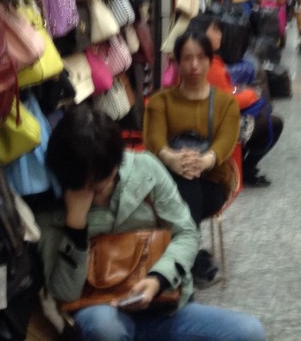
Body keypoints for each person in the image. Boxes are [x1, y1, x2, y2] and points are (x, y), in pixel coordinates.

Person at [38, 105, 266, 341]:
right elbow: (65, 292)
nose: (96, 196)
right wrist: (76, 226)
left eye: (101, 184)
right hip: (101, 311)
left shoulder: (144, 169)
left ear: (117, 164)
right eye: (85, 188)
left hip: (162, 305)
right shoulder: (52, 211)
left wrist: (158, 280)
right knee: (105, 327)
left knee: (248, 332)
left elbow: (186, 232)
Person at [144, 30, 240, 285]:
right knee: (184, 182)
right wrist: (172, 159)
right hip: (169, 181)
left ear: (210, 60)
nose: (194, 65)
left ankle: (181, 258)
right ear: (176, 62)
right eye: (187, 58)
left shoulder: (226, 104)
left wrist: (204, 161)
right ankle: (192, 258)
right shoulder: (160, 101)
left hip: (212, 183)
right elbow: (154, 141)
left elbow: (226, 142)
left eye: (200, 57)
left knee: (189, 184)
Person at [194, 14, 284, 188]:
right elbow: (224, 100)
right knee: (273, 122)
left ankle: (243, 167)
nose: (220, 35)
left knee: (266, 118)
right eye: (215, 31)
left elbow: (226, 90)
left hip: (216, 118)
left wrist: (242, 91)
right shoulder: (208, 63)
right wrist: (250, 95)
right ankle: (245, 168)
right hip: (215, 126)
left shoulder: (212, 60)